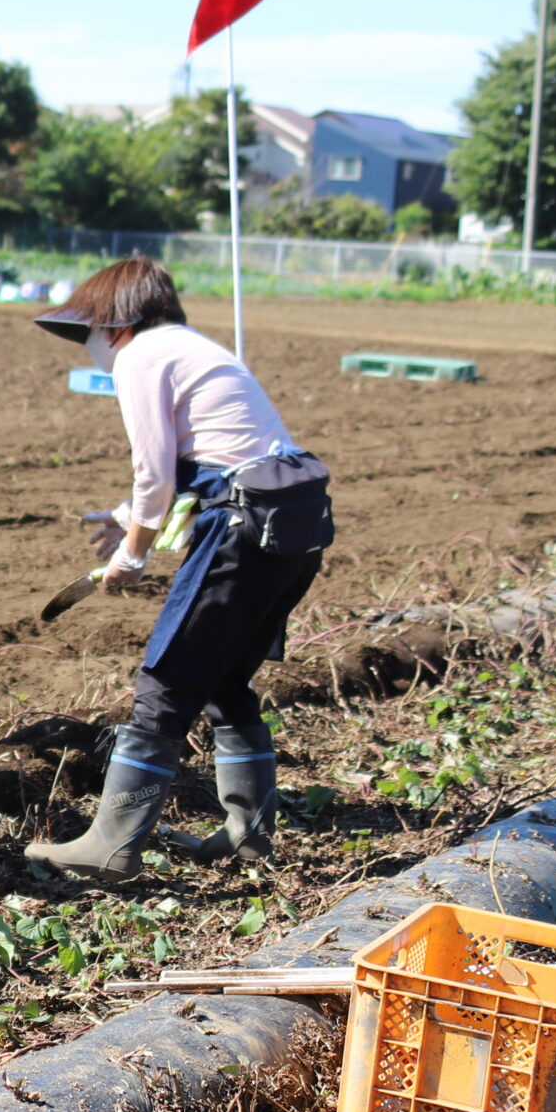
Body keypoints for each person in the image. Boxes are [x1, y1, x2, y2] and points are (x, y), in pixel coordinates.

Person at [28, 259, 332, 880]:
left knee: (164, 683)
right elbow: (216, 457)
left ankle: (111, 844)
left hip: (243, 529)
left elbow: (155, 473)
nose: (88, 346)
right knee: (223, 682)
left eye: (87, 331)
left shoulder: (140, 357)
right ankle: (249, 834)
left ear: (116, 323)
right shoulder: (193, 347)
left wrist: (132, 554)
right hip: (293, 526)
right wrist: (125, 517)